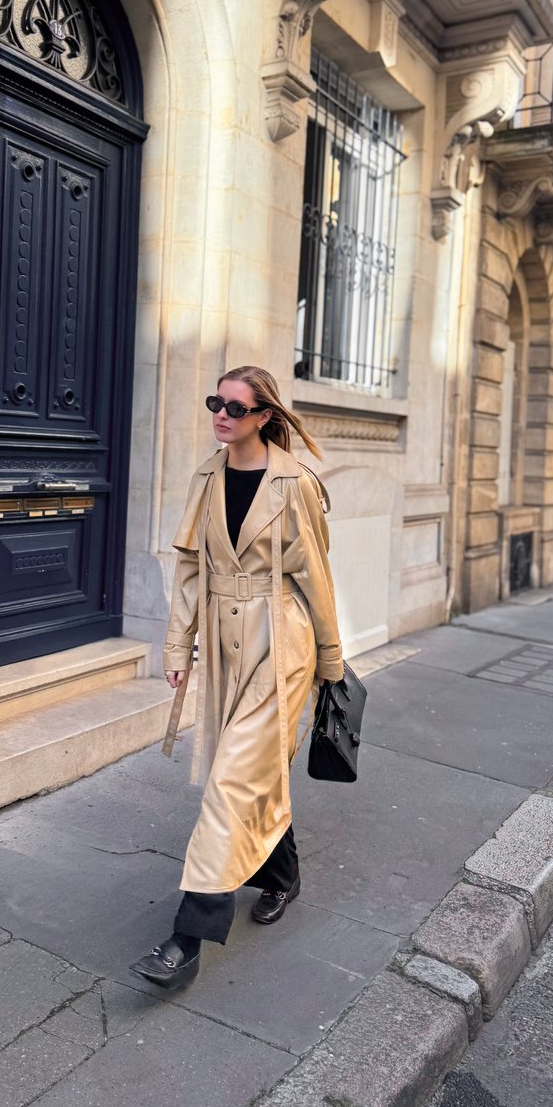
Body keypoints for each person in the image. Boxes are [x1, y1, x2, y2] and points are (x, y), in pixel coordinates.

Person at [129, 365, 343, 988]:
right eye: (214, 403)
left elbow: (317, 575)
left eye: (235, 407)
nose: (221, 415)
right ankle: (281, 875)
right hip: (225, 642)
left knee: (229, 781)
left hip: (281, 642)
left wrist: (330, 661)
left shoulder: (294, 482)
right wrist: (177, 646)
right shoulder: (206, 475)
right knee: (248, 770)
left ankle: (187, 937)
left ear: (264, 416)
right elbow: (191, 571)